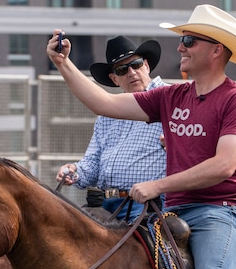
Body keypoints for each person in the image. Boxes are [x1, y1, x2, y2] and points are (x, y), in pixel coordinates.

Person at [46, 4, 236, 269]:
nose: (181, 47)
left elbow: (224, 165)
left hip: (220, 212)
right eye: (182, 40)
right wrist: (63, 64)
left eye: (189, 40)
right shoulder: (172, 97)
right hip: (170, 212)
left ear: (217, 50)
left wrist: (158, 186)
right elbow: (103, 103)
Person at [56, 35, 166, 220]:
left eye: (136, 64)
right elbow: (92, 164)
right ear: (114, 78)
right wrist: (74, 172)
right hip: (104, 204)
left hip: (148, 204)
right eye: (122, 70)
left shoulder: (171, 99)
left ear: (146, 66)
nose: (131, 72)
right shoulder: (106, 115)